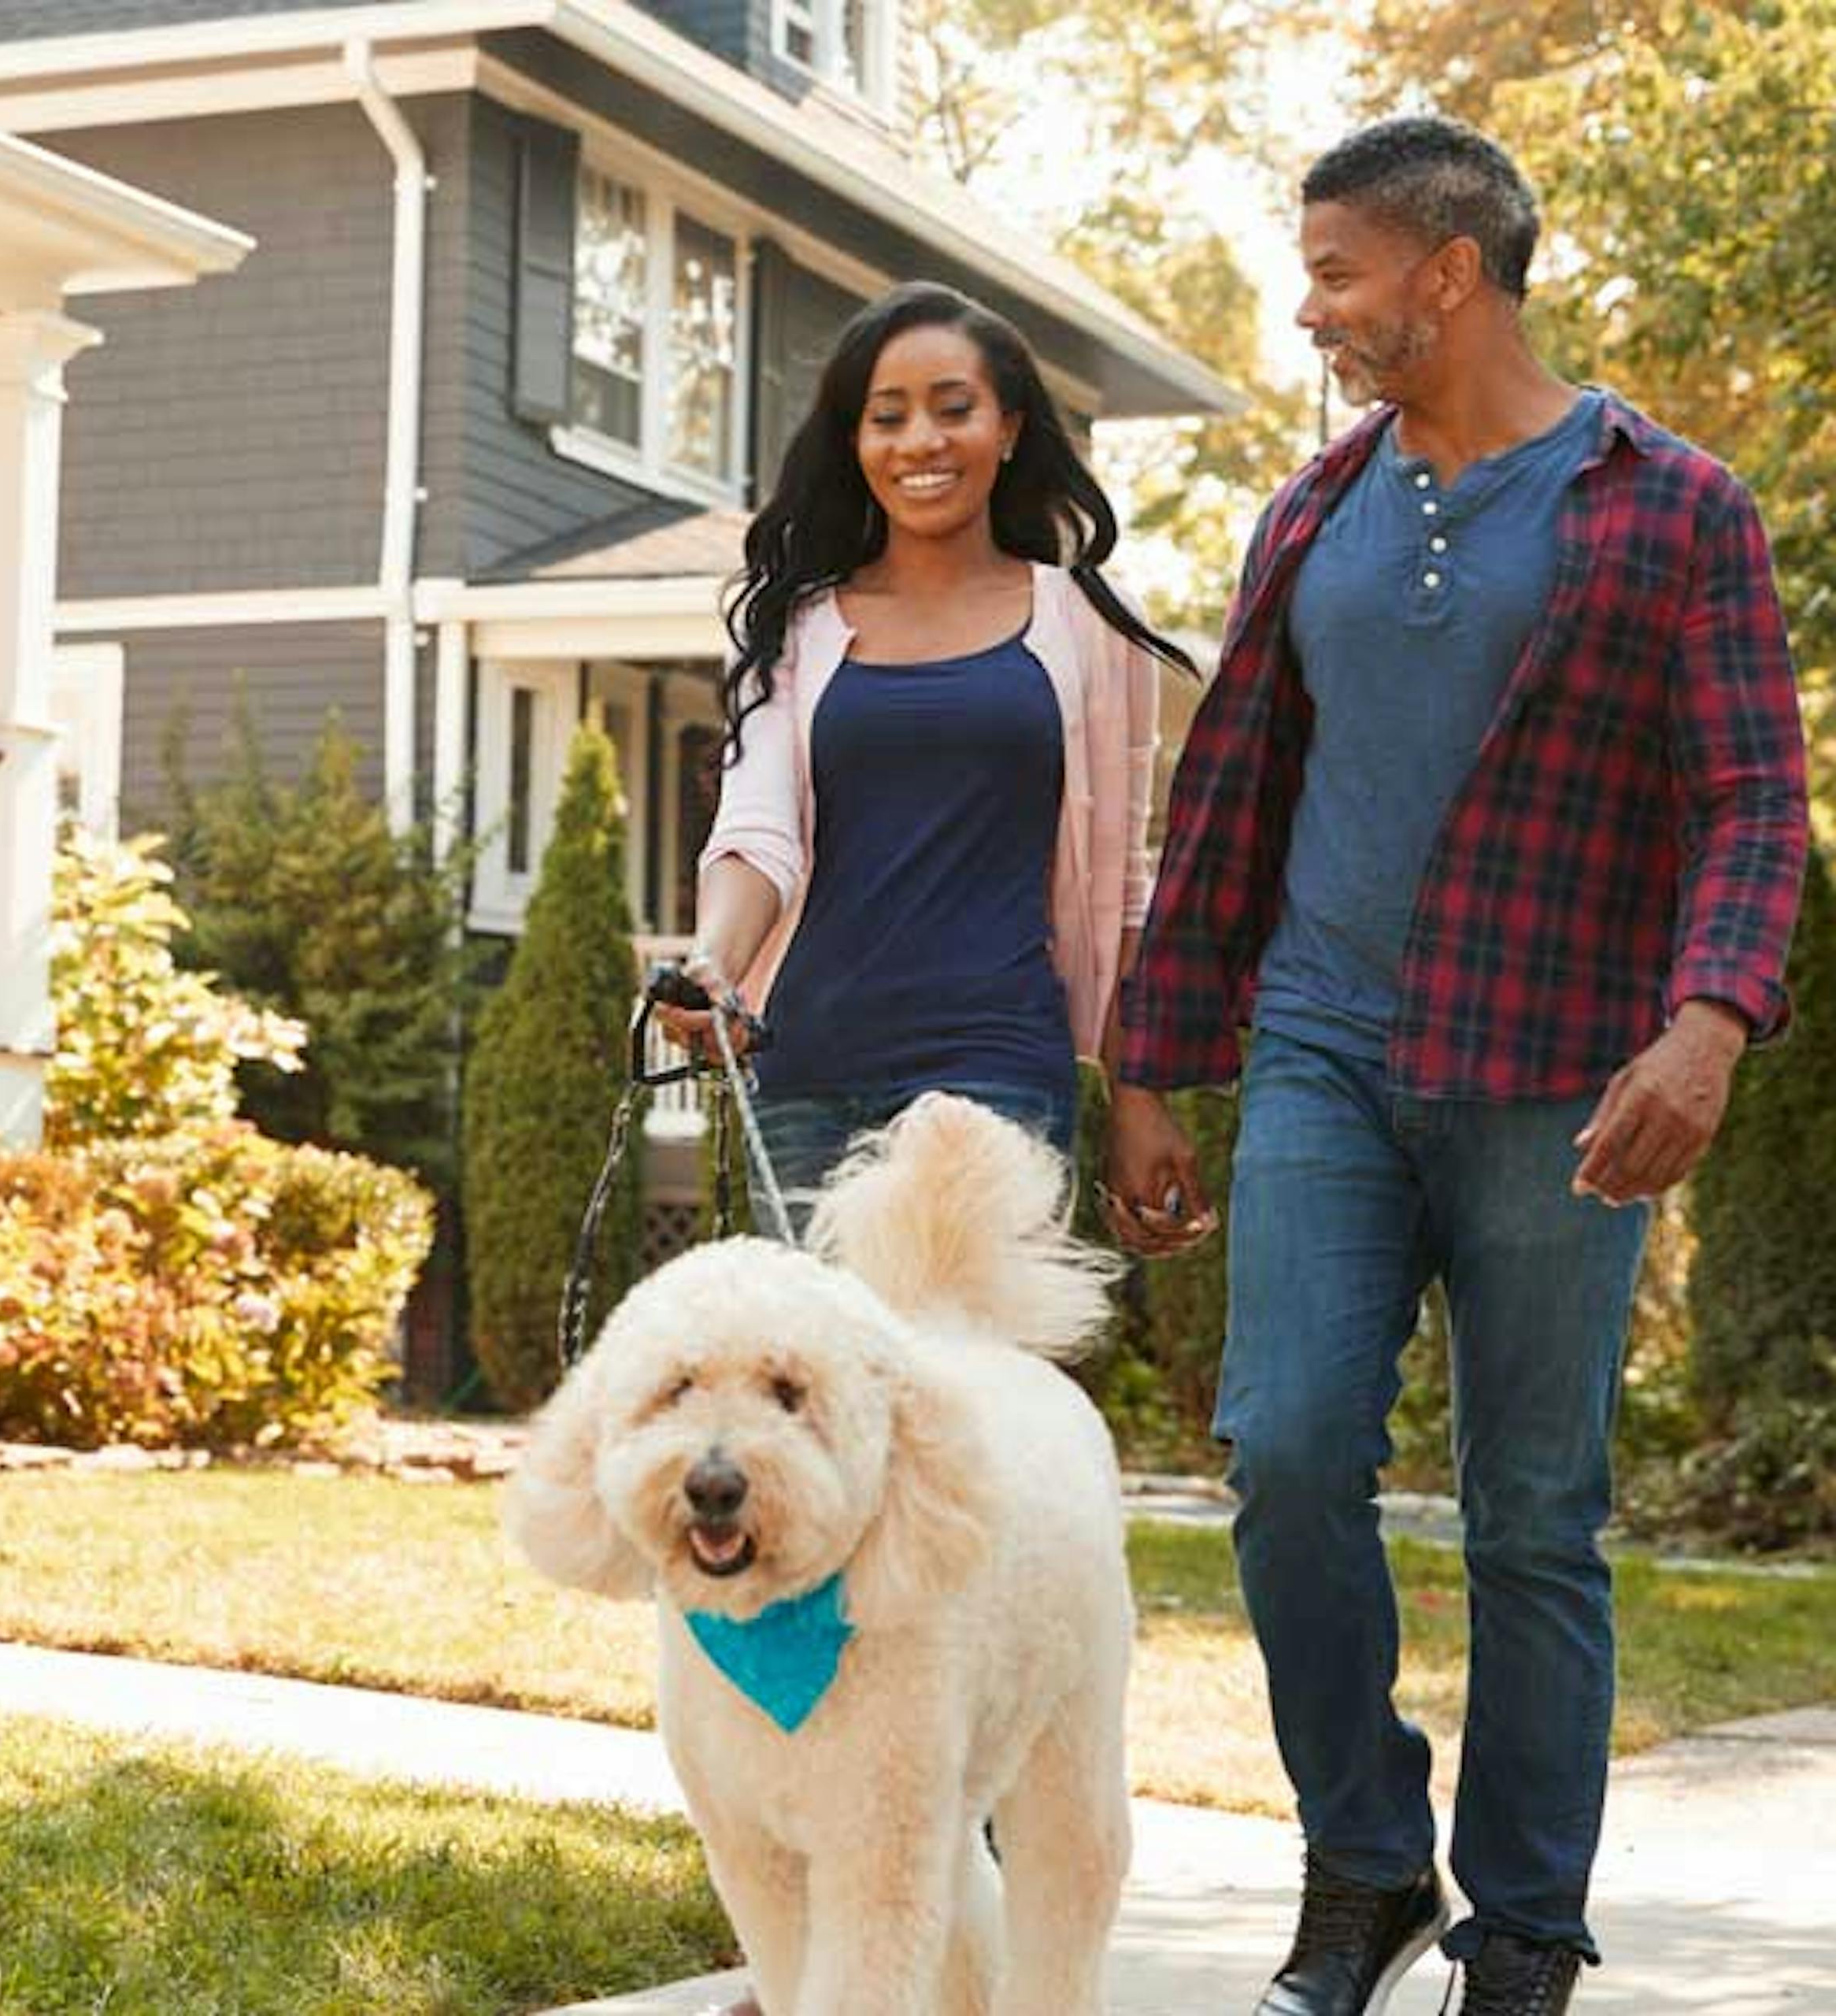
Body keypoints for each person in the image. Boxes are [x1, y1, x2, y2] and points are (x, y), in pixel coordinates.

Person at [1103, 116, 1808, 2016]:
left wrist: (1707, 1017)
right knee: (1289, 1452)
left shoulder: (1669, 504)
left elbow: (1749, 794)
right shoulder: (1310, 511)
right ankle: (1361, 1860)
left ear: (1445, 271)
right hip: (1325, 1054)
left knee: (1529, 1514)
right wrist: (1153, 1063)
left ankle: (1519, 1924)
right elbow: (1228, 797)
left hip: (1558, 1073)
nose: (1309, 305)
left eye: (1333, 269)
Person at [660, 280, 1195, 1227]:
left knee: (974, 1371)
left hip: (999, 1078)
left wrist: (1138, 1100)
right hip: (808, 1074)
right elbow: (756, 831)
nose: (920, 443)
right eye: (887, 417)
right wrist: (714, 963)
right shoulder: (798, 627)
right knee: (821, 1374)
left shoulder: (1092, 628)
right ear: (854, 441)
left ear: (1011, 426)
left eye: (954, 410)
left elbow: (1121, 890)